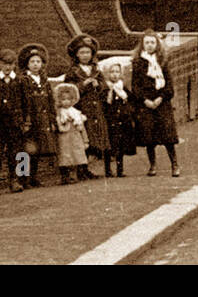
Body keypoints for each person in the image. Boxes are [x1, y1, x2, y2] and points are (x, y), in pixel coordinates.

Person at [130, 31, 180, 178]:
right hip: (146, 103)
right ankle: (152, 165)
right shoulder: (138, 63)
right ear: (142, 45)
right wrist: (145, 100)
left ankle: (174, 164)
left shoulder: (162, 61)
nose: (150, 45)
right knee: (149, 136)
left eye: (152, 42)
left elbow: (169, 86)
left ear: (157, 45)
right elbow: (135, 86)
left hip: (162, 102)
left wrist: (161, 98)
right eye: (147, 43)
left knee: (168, 136)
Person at [63, 34, 109, 179]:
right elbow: (68, 90)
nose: (85, 55)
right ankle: (81, 169)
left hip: (97, 110)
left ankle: (92, 167)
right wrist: (82, 85)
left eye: (88, 52)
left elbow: (105, 88)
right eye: (82, 52)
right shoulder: (73, 71)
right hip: (82, 110)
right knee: (83, 138)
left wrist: (98, 85)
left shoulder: (96, 70)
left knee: (97, 139)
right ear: (76, 54)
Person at [0, 48, 26, 195]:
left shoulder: (20, 81)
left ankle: (15, 180)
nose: (7, 67)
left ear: (14, 64)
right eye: (4, 64)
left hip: (15, 124)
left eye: (10, 64)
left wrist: (25, 122)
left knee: (15, 152)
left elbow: (25, 103)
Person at [17, 43, 59, 189]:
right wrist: (23, 120)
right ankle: (22, 178)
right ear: (27, 64)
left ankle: (33, 177)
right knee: (25, 150)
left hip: (42, 120)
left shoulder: (45, 81)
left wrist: (52, 119)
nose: (35, 65)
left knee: (36, 150)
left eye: (38, 62)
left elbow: (50, 101)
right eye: (32, 62)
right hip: (29, 120)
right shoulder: (23, 80)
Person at [100, 59, 137, 177]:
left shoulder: (122, 88)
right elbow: (103, 103)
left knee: (121, 145)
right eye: (112, 72)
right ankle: (108, 169)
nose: (115, 74)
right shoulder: (106, 88)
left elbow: (130, 99)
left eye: (117, 72)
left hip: (122, 119)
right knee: (109, 145)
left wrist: (129, 112)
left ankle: (120, 169)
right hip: (110, 120)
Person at [53, 82, 89, 185]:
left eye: (69, 99)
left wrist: (85, 140)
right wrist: (62, 123)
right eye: (63, 99)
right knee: (65, 157)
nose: (66, 102)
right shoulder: (59, 113)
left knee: (76, 155)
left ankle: (77, 174)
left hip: (75, 137)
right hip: (64, 138)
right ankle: (65, 176)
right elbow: (57, 125)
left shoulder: (76, 113)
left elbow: (82, 128)